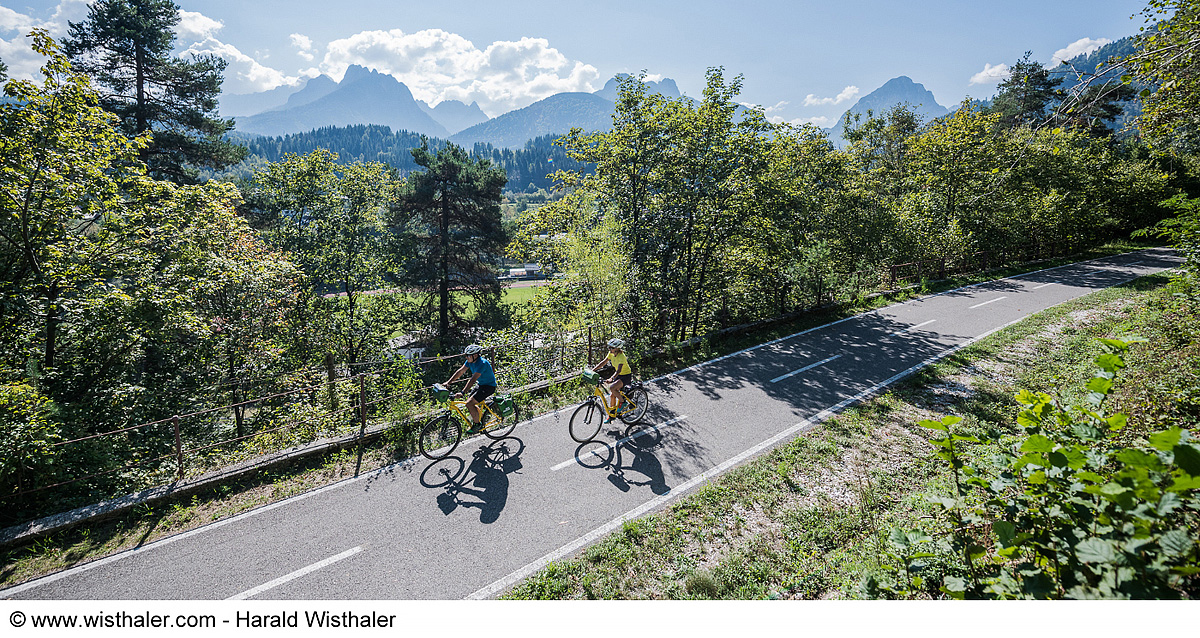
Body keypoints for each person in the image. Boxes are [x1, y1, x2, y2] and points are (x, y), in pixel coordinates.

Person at [446, 344, 497, 434]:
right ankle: (481, 420)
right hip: (481, 385)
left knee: (469, 403)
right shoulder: (470, 361)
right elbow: (460, 372)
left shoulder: (482, 364)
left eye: (468, 355)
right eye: (466, 355)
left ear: (475, 355)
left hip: (489, 386)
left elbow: (472, 380)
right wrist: (448, 382)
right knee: (469, 402)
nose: (466, 357)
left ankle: (477, 424)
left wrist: (462, 392)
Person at [591, 338, 633, 422]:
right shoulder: (611, 353)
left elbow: (619, 370)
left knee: (612, 388)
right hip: (619, 375)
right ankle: (612, 415)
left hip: (625, 376)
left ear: (617, 348)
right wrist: (593, 370)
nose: (609, 349)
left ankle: (623, 402)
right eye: (609, 347)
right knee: (612, 395)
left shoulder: (621, 356)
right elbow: (603, 362)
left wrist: (611, 378)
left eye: (611, 348)